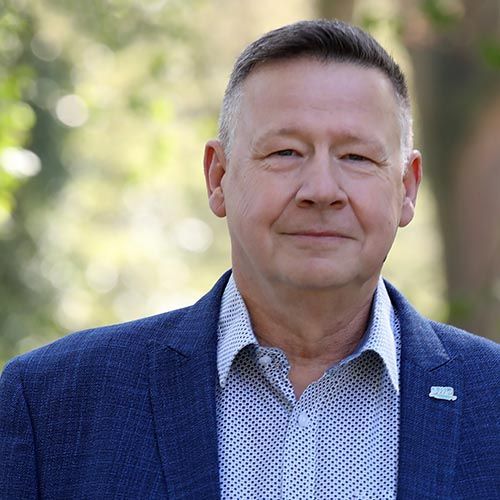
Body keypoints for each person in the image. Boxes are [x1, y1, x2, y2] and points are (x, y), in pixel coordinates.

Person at [1, 19, 498, 500]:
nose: (321, 190)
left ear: (407, 188)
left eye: (356, 157)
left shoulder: (490, 400)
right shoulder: (52, 406)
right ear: (218, 177)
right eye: (285, 153)